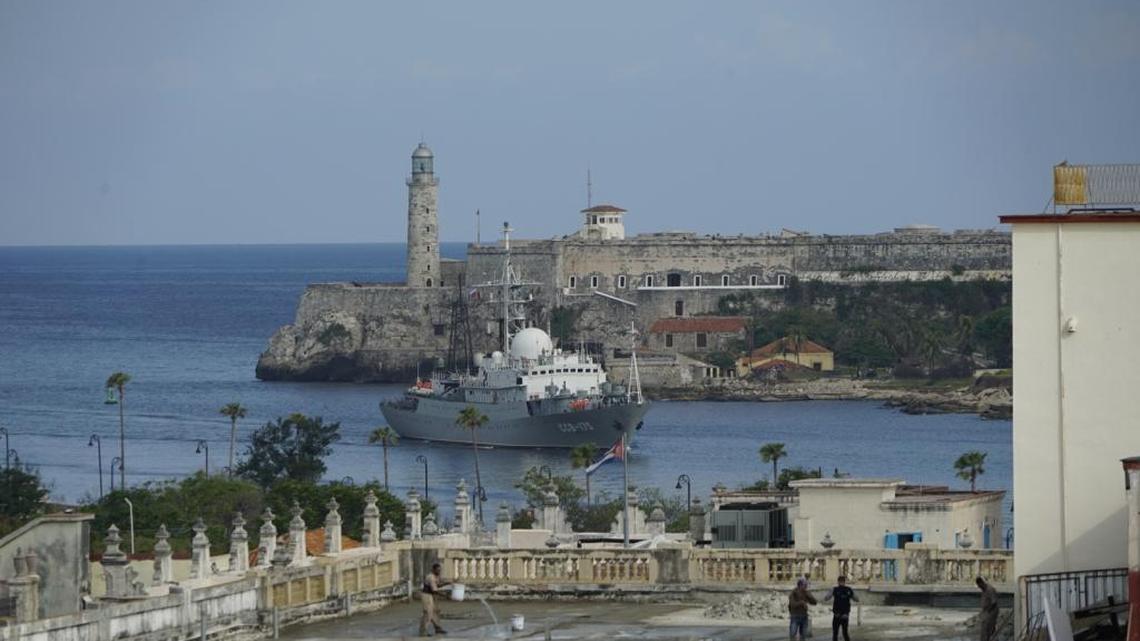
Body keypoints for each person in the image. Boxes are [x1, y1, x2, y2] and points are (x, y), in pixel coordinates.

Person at [823, 575, 859, 641]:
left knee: (836, 633)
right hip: (844, 614)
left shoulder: (835, 589)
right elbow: (856, 599)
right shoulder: (848, 589)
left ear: (838, 582)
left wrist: (830, 592)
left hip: (838, 614)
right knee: (844, 633)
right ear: (844, 582)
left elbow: (826, 598)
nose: (841, 583)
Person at [420, 562, 449, 636]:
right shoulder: (431, 577)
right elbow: (434, 590)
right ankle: (423, 632)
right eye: (437, 570)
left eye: (439, 570)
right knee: (428, 614)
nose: (439, 572)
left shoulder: (436, 576)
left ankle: (438, 628)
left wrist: (448, 583)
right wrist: (445, 596)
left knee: (434, 612)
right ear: (433, 570)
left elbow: (438, 585)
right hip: (426, 595)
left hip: (431, 595)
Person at [976, 576, 998, 641]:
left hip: (991, 612)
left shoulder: (990, 589)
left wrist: (988, 611)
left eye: (979, 586)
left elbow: (994, 602)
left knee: (988, 630)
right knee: (985, 631)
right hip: (986, 612)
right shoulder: (984, 590)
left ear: (981, 583)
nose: (979, 588)